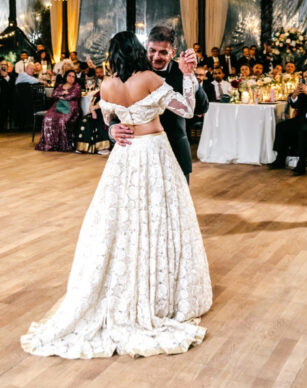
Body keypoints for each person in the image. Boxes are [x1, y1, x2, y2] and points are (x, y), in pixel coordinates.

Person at [22, 31, 211, 358]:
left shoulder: (108, 85)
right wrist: (190, 77)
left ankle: (123, 282)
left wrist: (112, 127)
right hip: (153, 153)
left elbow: (107, 118)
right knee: (159, 219)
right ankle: (158, 291)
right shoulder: (149, 79)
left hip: (125, 157)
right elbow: (188, 109)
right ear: (138, 51)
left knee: (122, 221)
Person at [108, 26, 209, 182]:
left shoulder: (182, 71)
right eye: (152, 51)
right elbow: (117, 109)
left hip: (175, 150)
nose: (156, 57)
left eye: (163, 52)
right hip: (139, 156)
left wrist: (191, 77)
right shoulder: (132, 72)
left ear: (173, 52)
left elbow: (202, 108)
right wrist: (112, 129)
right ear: (146, 46)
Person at [269, 67, 307, 176]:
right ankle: (280, 159)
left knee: (304, 130)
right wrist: (294, 95)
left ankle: (301, 164)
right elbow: (294, 105)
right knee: (281, 127)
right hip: (301, 120)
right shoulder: (303, 88)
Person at [36, 69, 82, 152]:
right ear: (66, 76)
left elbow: (74, 95)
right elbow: (54, 94)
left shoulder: (76, 86)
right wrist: (63, 93)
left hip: (70, 107)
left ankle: (61, 144)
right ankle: (49, 144)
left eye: (73, 77)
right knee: (47, 117)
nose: (71, 78)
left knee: (61, 120)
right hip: (58, 106)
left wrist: (62, 96)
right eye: (69, 76)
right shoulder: (60, 86)